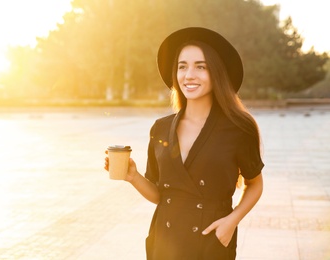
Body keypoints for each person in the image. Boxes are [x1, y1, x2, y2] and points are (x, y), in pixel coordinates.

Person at [104, 27, 264, 260]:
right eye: (182, 66)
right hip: (164, 243)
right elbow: (162, 196)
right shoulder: (160, 128)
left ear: (216, 73)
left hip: (211, 242)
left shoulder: (239, 128)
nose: (189, 75)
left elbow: (255, 184)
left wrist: (231, 222)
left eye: (201, 66)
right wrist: (133, 177)